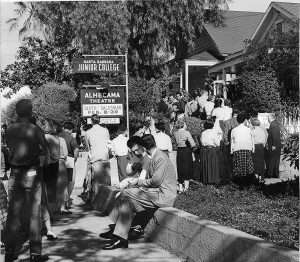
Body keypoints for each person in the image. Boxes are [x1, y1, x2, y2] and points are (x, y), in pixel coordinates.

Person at [100, 134, 177, 250]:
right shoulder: (155, 156)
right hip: (155, 193)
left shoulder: (160, 157)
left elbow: (155, 181)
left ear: (144, 147)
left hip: (163, 196)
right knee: (127, 202)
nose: (137, 153)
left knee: (125, 193)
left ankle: (115, 228)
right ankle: (120, 238)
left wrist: (137, 182)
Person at [5, 99, 48, 262]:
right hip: (33, 173)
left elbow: (9, 150)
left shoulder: (9, 129)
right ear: (30, 112)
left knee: (13, 214)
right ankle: (35, 253)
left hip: (15, 174)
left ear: (17, 112)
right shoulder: (35, 129)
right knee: (34, 214)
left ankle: (10, 251)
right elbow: (44, 150)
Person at [58, 121, 79, 208]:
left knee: (60, 181)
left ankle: (59, 201)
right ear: (71, 129)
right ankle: (66, 201)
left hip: (58, 160)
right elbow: (76, 150)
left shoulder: (58, 135)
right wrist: (75, 158)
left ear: (63, 127)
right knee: (70, 181)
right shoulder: (71, 138)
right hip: (69, 160)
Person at [85, 114, 110, 185]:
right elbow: (108, 143)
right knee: (106, 185)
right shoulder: (105, 130)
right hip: (104, 159)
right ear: (99, 121)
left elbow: (88, 147)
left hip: (94, 160)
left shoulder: (88, 132)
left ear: (91, 121)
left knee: (95, 185)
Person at [43, 119, 60, 217]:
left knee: (46, 189)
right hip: (55, 164)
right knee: (53, 187)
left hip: (47, 164)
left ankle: (50, 213)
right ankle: (54, 209)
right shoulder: (56, 137)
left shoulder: (46, 137)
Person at [230, 113, 255, 181]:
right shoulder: (248, 129)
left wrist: (231, 151)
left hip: (237, 149)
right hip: (247, 149)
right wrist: (253, 149)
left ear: (237, 121)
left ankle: (239, 181)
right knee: (248, 167)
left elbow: (232, 141)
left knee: (238, 167)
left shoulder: (234, 130)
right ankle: (247, 182)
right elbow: (252, 140)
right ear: (244, 120)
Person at [174, 120, 196, 193]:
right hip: (186, 151)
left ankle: (180, 188)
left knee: (180, 168)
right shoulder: (186, 132)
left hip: (179, 151)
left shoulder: (175, 133)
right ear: (183, 125)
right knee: (187, 169)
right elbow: (192, 144)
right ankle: (186, 188)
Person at [199, 120, 220, 184]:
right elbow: (218, 143)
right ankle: (213, 180)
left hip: (204, 150)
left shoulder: (203, 133)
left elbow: (201, 142)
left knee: (206, 165)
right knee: (212, 165)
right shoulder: (213, 132)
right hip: (211, 150)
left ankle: (206, 181)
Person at [266, 113, 281, 178]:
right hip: (277, 144)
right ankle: (275, 174)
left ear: (270, 118)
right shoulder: (276, 123)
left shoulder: (273, 124)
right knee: (276, 160)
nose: (267, 120)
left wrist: (273, 145)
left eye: (268, 118)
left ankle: (270, 174)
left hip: (273, 144)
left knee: (271, 159)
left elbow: (274, 136)